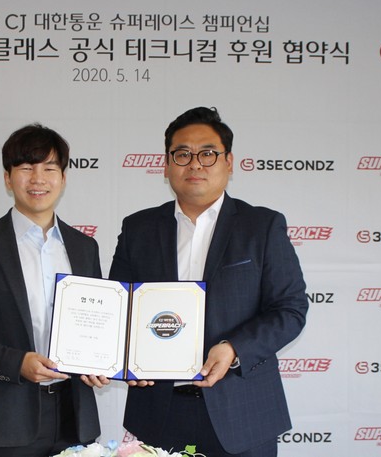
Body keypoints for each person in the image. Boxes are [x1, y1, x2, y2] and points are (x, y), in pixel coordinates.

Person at [109, 107, 308, 457]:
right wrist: (121, 358)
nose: (195, 164)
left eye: (207, 153)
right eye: (182, 154)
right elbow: (118, 309)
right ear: (166, 164)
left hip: (243, 412)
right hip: (157, 413)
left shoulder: (261, 227)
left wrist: (234, 349)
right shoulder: (138, 229)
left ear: (229, 162)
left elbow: (290, 310)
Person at [0, 123, 109, 457]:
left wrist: (101, 360)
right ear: (7, 178)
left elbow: (97, 323)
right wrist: (16, 362)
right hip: (6, 420)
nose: (38, 179)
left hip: (76, 418)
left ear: (63, 178)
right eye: (26, 168)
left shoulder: (84, 247)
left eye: (49, 168)